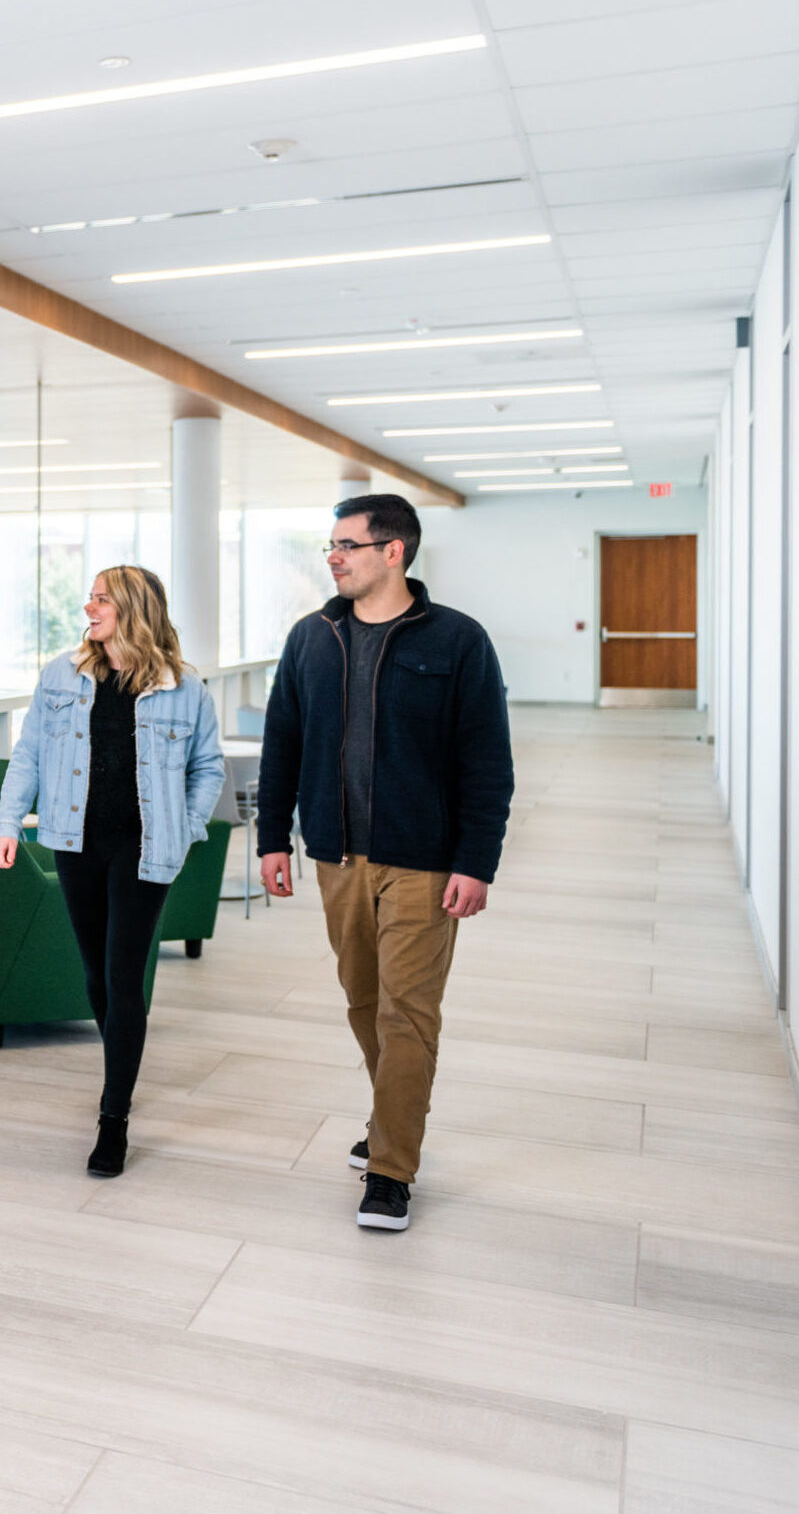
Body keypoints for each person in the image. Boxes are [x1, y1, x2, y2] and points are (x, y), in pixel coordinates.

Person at [256, 494, 512, 1231]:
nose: (332, 557)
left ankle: (393, 1168)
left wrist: (476, 860)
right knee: (364, 1002)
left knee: (408, 1013)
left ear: (393, 551)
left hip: (425, 860)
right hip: (338, 855)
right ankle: (390, 1115)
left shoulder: (458, 640)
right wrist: (276, 836)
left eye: (347, 545)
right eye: (330, 546)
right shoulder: (311, 638)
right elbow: (284, 744)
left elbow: (487, 762)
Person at [0, 566, 225, 1177]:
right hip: (75, 841)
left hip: (146, 850)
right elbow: (31, 754)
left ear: (131, 608)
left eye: (100, 598)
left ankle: (113, 1117)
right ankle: (122, 1057)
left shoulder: (184, 687)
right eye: (91, 596)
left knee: (123, 977)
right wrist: (8, 822)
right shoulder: (61, 676)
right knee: (95, 975)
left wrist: (187, 824)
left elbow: (208, 769)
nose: (87, 606)